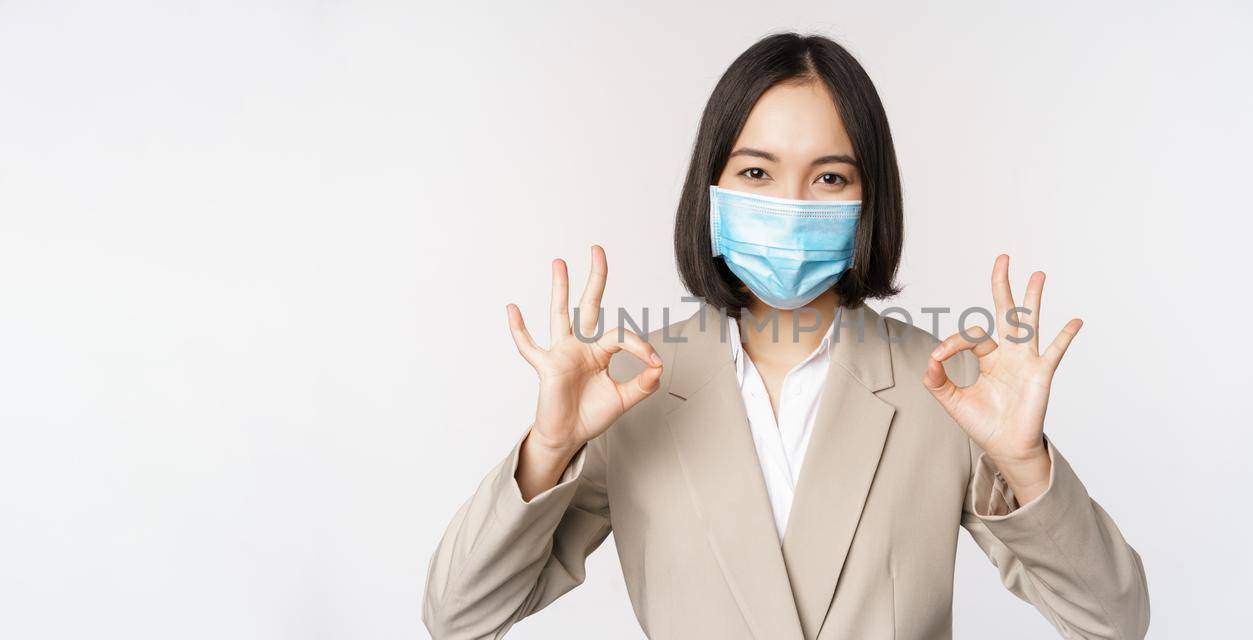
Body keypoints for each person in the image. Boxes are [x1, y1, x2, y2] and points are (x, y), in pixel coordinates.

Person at [422, 32, 1149, 639]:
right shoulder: (629, 387)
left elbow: (1115, 621)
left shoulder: (947, 387)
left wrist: (1024, 465)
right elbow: (458, 614)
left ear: (870, 199)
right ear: (712, 187)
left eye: (829, 178)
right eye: (757, 171)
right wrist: (549, 450)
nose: (792, 205)